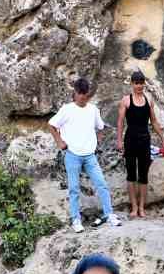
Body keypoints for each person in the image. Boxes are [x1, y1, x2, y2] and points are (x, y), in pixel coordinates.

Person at [49, 77, 119, 233]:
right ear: (75, 92)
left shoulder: (93, 110)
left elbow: (100, 127)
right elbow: (51, 125)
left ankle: (109, 214)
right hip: (72, 154)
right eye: (80, 93)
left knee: (101, 184)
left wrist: (97, 142)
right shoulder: (67, 109)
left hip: (89, 155)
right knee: (74, 188)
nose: (82, 97)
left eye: (85, 94)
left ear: (88, 93)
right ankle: (76, 220)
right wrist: (60, 142)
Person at [115, 70, 164, 220]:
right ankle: (133, 207)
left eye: (141, 83)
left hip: (145, 141)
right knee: (131, 174)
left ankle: (141, 208)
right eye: (136, 83)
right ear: (132, 84)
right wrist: (119, 140)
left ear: (144, 84)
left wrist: (163, 138)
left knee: (143, 175)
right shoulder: (126, 100)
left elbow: (154, 122)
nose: (139, 86)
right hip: (130, 141)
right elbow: (120, 122)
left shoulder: (148, 100)